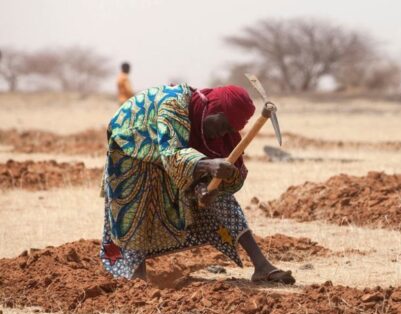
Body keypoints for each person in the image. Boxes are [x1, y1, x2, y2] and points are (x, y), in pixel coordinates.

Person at [100, 83, 295, 284]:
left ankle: (262, 266)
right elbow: (172, 154)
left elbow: (196, 163)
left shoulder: (206, 123)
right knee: (135, 205)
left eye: (229, 129)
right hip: (132, 146)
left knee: (221, 197)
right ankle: (136, 279)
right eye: (223, 125)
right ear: (214, 110)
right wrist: (207, 165)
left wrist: (205, 186)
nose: (222, 133)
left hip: (169, 152)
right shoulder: (173, 105)